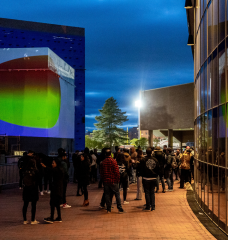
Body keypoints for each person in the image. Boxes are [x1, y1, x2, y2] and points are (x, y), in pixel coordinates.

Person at [100, 149, 124, 213]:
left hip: (106, 181)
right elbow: (116, 172)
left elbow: (101, 173)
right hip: (113, 180)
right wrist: (118, 179)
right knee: (117, 194)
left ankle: (108, 208)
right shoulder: (113, 161)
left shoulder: (103, 162)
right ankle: (119, 208)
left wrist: (103, 180)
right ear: (111, 154)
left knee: (107, 194)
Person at [42, 159, 64, 223]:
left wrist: (45, 166)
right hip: (58, 189)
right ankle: (59, 217)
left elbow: (51, 170)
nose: (52, 164)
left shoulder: (57, 170)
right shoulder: (60, 169)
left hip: (56, 189)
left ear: (57, 164)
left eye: (53, 163)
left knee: (52, 203)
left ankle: (51, 217)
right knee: (57, 204)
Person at [22, 158, 39, 224]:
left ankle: (25, 220)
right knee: (33, 205)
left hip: (26, 189)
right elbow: (39, 178)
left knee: (25, 204)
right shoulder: (35, 171)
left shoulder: (25, 170)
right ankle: (33, 219)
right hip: (33, 189)